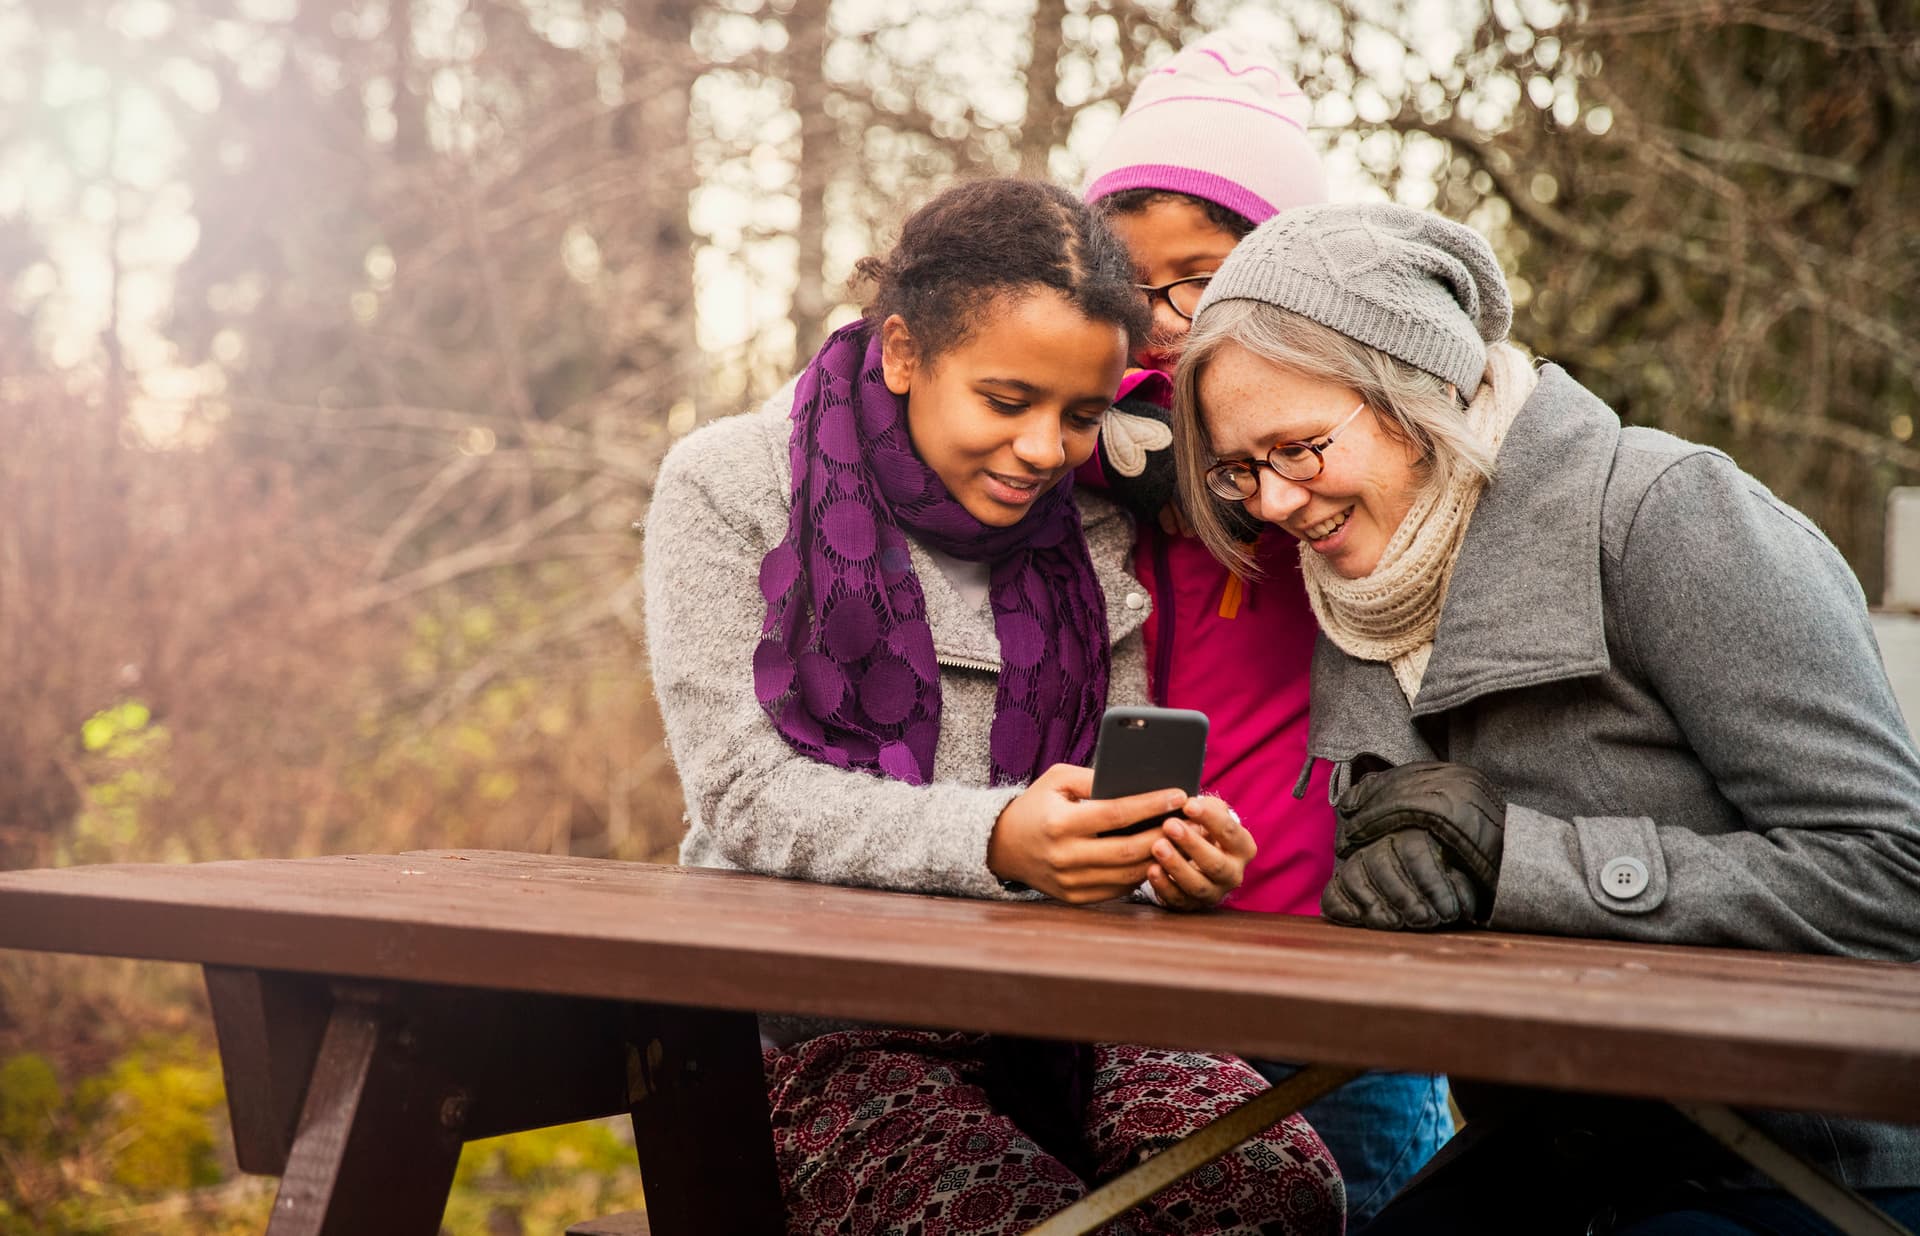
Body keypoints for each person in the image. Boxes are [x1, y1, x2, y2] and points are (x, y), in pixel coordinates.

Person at [1171, 198, 1920, 1232]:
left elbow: (1892, 878)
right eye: (1240, 470)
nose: (1274, 504)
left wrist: (1516, 861)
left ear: (1419, 388)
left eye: (1297, 449)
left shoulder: (1671, 516)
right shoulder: (1360, 576)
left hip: (1801, 1167)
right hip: (1557, 1149)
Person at [644, 177, 1343, 1234]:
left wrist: (1165, 858)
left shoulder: (1088, 527)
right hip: (822, 1026)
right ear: (904, 352)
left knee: (1269, 1189)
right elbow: (744, 793)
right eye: (1007, 403)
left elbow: (1109, 795)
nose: (1042, 453)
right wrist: (999, 838)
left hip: (1072, 1004)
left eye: (1082, 417)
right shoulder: (731, 485)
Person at [1079, 33, 1453, 1226]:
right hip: (1167, 971)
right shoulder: (1097, 455)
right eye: (1127, 287)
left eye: (1194, 277)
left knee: (1382, 1200)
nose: (1159, 321)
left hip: (1350, 967)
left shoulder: (1347, 454)